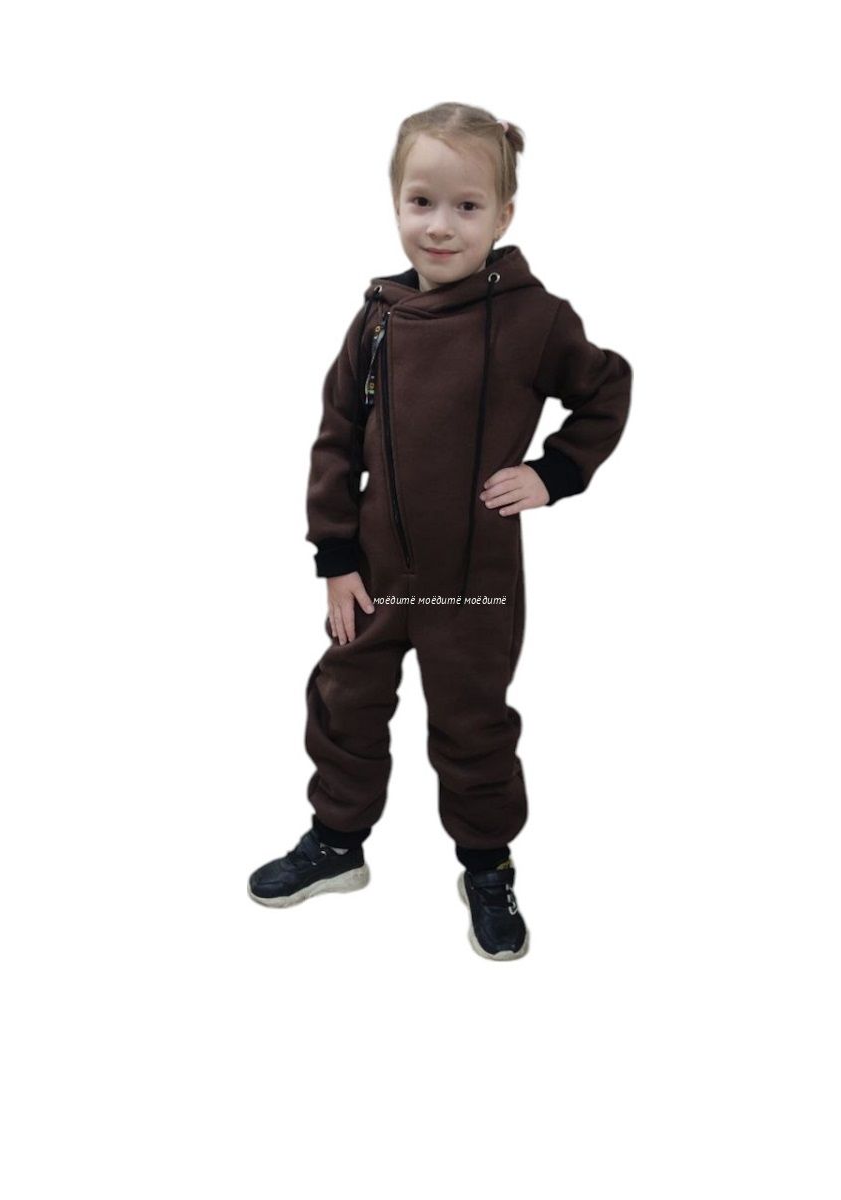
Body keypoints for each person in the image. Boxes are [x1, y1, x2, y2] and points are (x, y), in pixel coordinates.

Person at [247, 101, 633, 961]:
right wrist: (336, 557)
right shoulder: (377, 319)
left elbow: (607, 388)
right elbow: (335, 439)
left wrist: (554, 472)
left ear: (504, 215)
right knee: (345, 704)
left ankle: (487, 866)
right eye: (421, 201)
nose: (441, 226)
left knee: (473, 724)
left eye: (467, 206)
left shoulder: (536, 319)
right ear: (396, 203)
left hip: (473, 581)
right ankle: (337, 844)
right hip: (374, 574)